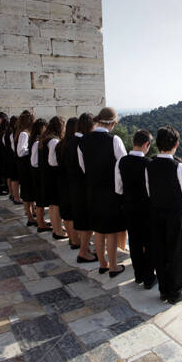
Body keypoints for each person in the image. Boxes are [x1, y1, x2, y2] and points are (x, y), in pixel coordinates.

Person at [146, 125, 182, 304]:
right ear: (176, 144)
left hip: (155, 213)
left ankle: (163, 289)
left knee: (160, 252)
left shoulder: (149, 165)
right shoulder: (180, 168)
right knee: (176, 253)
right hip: (174, 215)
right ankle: (175, 291)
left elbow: (149, 191)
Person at [79, 107, 128, 278]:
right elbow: (124, 166)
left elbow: (83, 166)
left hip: (92, 189)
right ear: (113, 122)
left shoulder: (83, 140)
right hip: (111, 190)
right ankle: (113, 267)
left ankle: (102, 264)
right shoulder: (114, 140)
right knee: (112, 230)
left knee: (98, 229)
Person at [116, 129, 155, 289]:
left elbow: (118, 187)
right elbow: (150, 190)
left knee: (134, 241)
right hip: (146, 209)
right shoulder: (148, 164)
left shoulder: (121, 161)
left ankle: (138, 275)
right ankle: (148, 277)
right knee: (149, 242)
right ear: (146, 144)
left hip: (129, 206)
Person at [66, 113, 97, 263]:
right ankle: (83, 252)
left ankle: (85, 248)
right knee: (86, 221)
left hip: (72, 185)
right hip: (83, 186)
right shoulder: (81, 142)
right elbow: (84, 168)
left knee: (80, 218)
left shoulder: (69, 141)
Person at [39, 116, 66, 240]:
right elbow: (52, 161)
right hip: (53, 176)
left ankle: (56, 229)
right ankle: (58, 231)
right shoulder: (54, 141)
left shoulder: (45, 139)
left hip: (46, 175)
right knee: (56, 205)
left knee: (51, 205)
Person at [56, 118, 78, 248]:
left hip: (62, 180)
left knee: (67, 214)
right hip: (73, 182)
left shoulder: (60, 144)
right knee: (75, 213)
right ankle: (76, 241)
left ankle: (71, 238)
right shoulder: (76, 144)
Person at [15, 111, 37, 227]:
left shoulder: (25, 133)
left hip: (25, 166)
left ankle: (32, 214)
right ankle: (29, 217)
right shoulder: (24, 134)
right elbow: (20, 151)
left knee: (29, 192)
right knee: (27, 193)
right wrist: (32, 150)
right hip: (24, 166)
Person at [29, 118, 50, 232]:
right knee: (40, 201)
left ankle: (41, 221)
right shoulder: (37, 142)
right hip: (38, 173)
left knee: (40, 200)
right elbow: (34, 161)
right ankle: (41, 224)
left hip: (37, 172)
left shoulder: (36, 140)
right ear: (42, 127)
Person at [3, 115, 22, 204]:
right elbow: (14, 147)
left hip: (8, 156)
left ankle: (12, 194)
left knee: (11, 177)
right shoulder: (12, 133)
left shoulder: (7, 132)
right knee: (15, 178)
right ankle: (16, 197)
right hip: (13, 157)